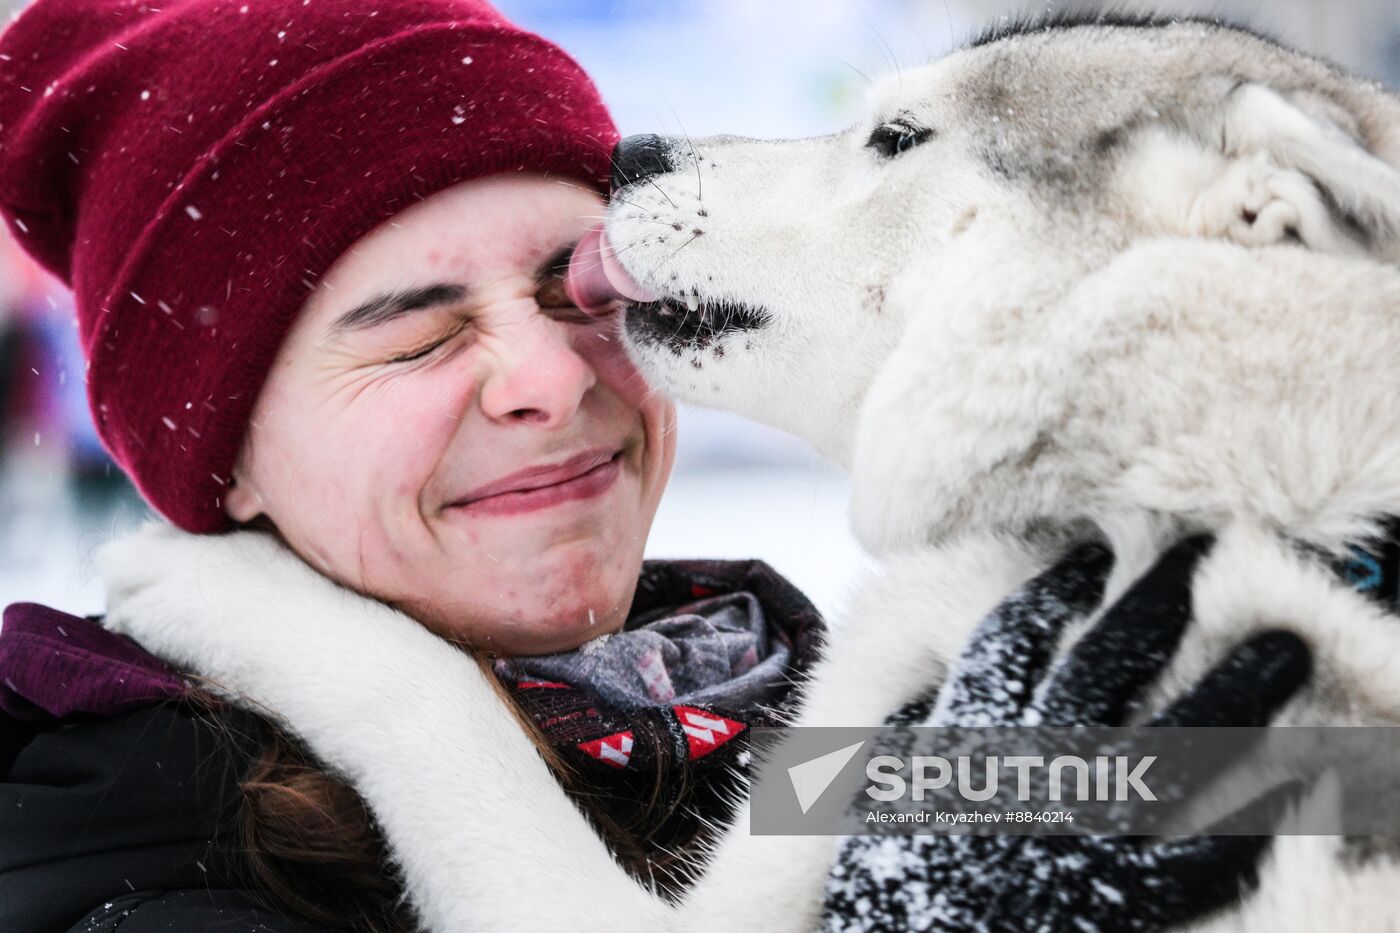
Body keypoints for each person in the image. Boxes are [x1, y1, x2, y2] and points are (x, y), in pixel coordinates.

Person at [0, 1, 1312, 931]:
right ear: (220, 457)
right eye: (417, 333)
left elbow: (1299, 781)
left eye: (584, 296)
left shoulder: (767, 709)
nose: (552, 378)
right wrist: (406, 715)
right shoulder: (130, 846)